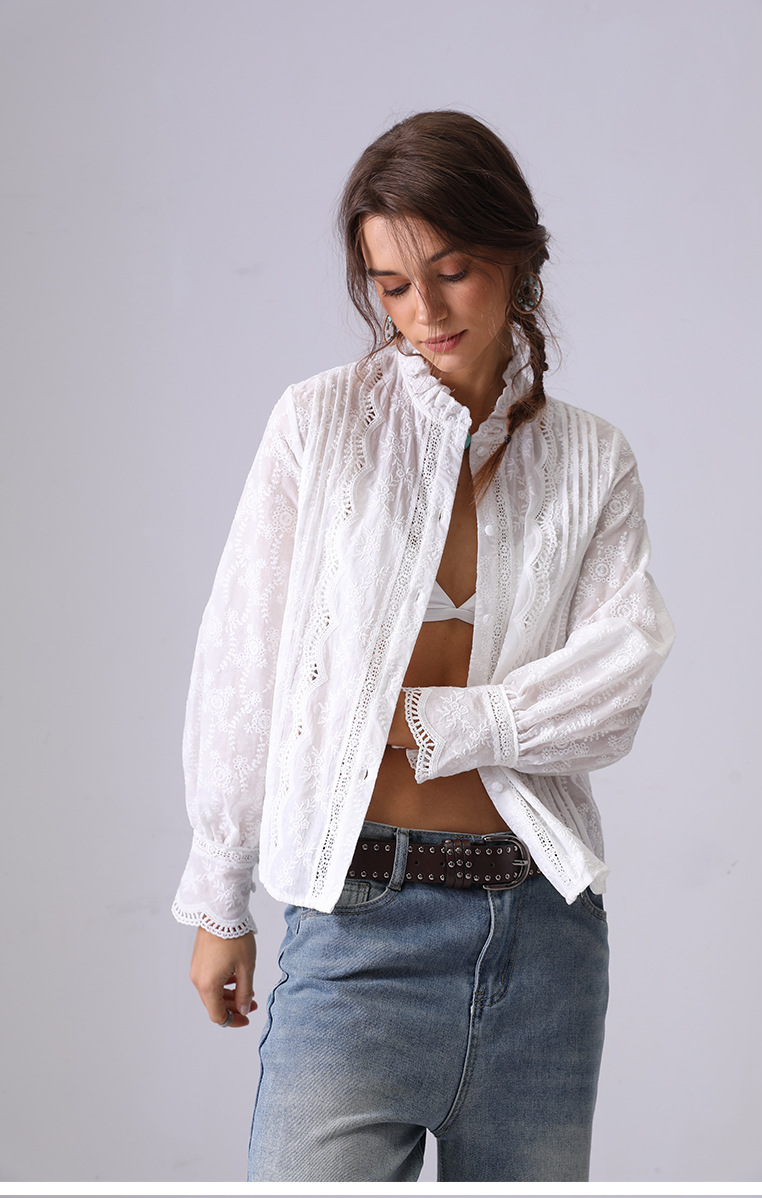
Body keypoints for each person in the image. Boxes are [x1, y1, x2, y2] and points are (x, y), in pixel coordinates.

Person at [172, 110, 674, 1183]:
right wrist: (221, 891)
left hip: (541, 937)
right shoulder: (319, 427)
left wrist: (423, 721)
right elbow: (243, 661)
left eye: (452, 272)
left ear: (518, 259)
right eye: (393, 286)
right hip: (356, 928)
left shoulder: (592, 460)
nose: (425, 312)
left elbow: (617, 684)